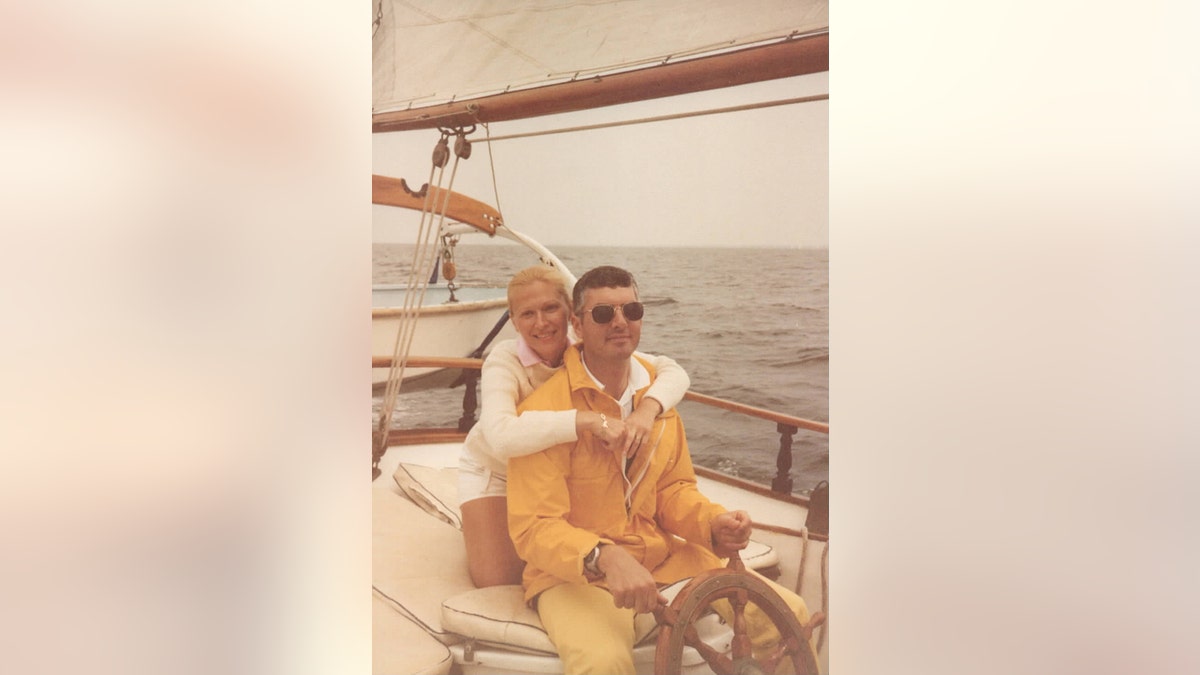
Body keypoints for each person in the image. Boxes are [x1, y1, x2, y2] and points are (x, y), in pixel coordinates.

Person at [506, 265, 818, 675]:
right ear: (578, 326)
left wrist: (713, 523)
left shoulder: (657, 397)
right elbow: (535, 527)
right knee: (603, 662)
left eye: (631, 310)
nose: (620, 322)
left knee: (787, 612)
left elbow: (673, 489)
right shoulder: (544, 415)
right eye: (603, 314)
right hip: (573, 577)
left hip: (662, 559)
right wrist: (604, 556)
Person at [458, 264, 691, 588]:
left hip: (547, 465)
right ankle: (477, 523)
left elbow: (673, 372)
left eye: (551, 308)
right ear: (513, 321)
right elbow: (500, 438)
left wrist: (647, 411)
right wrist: (588, 420)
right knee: (500, 583)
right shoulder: (504, 360)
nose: (541, 323)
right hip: (496, 470)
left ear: (571, 317)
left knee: (567, 558)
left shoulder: (585, 344)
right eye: (527, 314)